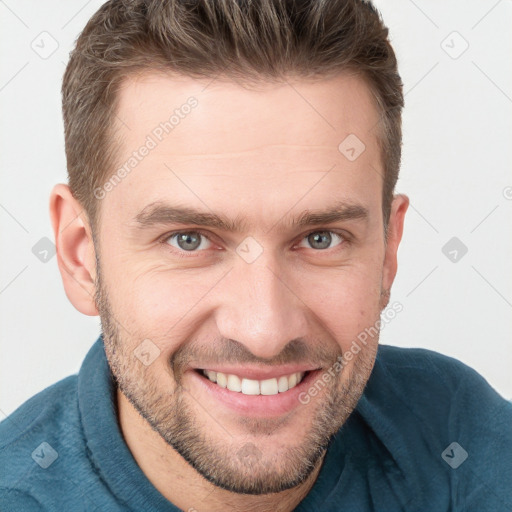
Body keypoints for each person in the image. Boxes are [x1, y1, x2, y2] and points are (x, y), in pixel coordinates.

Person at [1, 1, 510, 510]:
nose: (264, 332)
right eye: (190, 240)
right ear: (80, 256)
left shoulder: (461, 440)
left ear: (387, 253)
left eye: (320, 239)